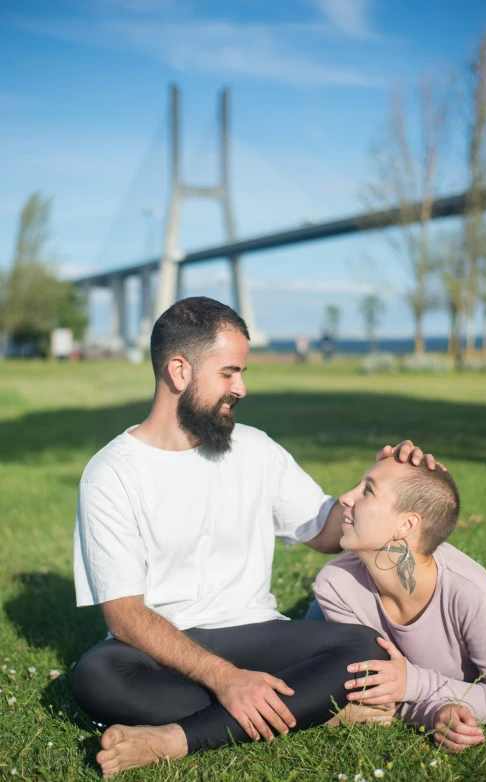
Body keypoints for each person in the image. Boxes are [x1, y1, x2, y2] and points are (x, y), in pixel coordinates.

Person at [72, 296, 435, 778]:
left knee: (364, 650)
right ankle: (312, 707)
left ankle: (176, 739)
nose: (241, 387)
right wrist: (225, 680)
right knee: (96, 677)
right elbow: (125, 616)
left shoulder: (257, 449)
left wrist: (383, 488)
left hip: (255, 630)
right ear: (179, 371)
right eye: (228, 373)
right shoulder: (110, 474)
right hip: (161, 649)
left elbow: (325, 532)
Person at [313, 454, 486, 751]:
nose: (346, 498)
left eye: (367, 491)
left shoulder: (472, 594)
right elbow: (380, 692)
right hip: (319, 621)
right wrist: (430, 711)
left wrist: (415, 685)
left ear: (406, 524)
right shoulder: (335, 584)